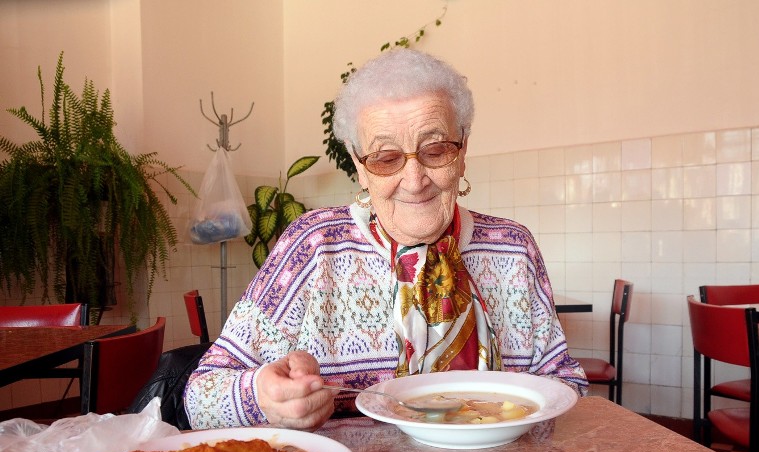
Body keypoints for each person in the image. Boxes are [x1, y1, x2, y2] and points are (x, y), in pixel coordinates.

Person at [185, 48, 588, 430]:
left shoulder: (512, 248)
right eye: (385, 158)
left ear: (463, 151)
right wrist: (264, 396)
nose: (414, 181)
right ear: (359, 166)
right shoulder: (313, 246)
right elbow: (200, 395)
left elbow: (568, 385)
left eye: (435, 149)